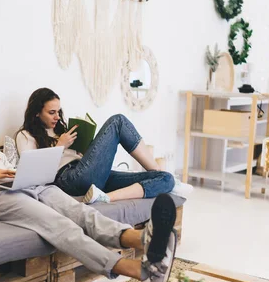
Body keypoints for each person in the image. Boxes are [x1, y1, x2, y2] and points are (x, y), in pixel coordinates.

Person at [0, 96, 179, 282]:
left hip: (27, 184)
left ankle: (143, 239)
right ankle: (137, 270)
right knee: (59, 225)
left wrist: (26, 173)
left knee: (81, 212)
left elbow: (16, 168)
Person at [15, 87, 192, 204]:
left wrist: (86, 148)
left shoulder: (61, 130)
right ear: (37, 113)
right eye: (51, 112)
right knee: (118, 122)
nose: (57, 117)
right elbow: (31, 175)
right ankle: (155, 170)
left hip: (89, 175)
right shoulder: (25, 135)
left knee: (165, 178)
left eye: (58, 112)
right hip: (68, 179)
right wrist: (60, 146)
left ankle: (104, 197)